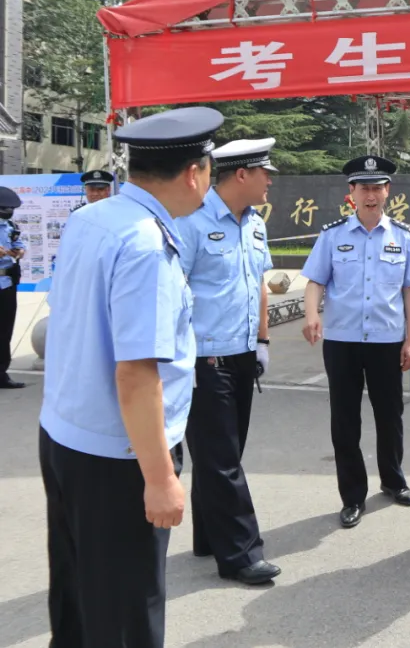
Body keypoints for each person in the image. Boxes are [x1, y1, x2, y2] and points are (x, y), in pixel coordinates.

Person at [38, 106, 223, 648]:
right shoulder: (147, 245)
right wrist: (162, 478)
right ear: (194, 173)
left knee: (77, 596)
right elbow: (137, 375)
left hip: (66, 435)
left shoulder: (91, 219)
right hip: (119, 459)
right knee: (125, 611)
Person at [174, 138, 281, 584]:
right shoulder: (191, 222)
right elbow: (172, 291)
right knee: (221, 460)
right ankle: (239, 554)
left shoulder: (255, 223)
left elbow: (257, 282)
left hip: (241, 355)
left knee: (226, 452)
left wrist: (262, 341)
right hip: (205, 359)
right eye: (264, 173)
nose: (270, 181)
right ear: (241, 175)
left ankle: (209, 536)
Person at [301, 154, 410, 528]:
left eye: (377, 188)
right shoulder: (332, 235)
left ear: (388, 191)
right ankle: (352, 496)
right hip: (341, 342)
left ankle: (393, 481)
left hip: (387, 341)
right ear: (351, 193)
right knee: (345, 420)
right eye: (364, 189)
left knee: (390, 416)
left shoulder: (403, 237)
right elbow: (315, 281)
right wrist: (312, 314)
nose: (371, 196)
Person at [0, 186, 26, 389]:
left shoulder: (11, 227)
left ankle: (1, 373)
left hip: (7, 283)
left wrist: (19, 251)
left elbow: (19, 245)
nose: (8, 212)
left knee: (5, 329)